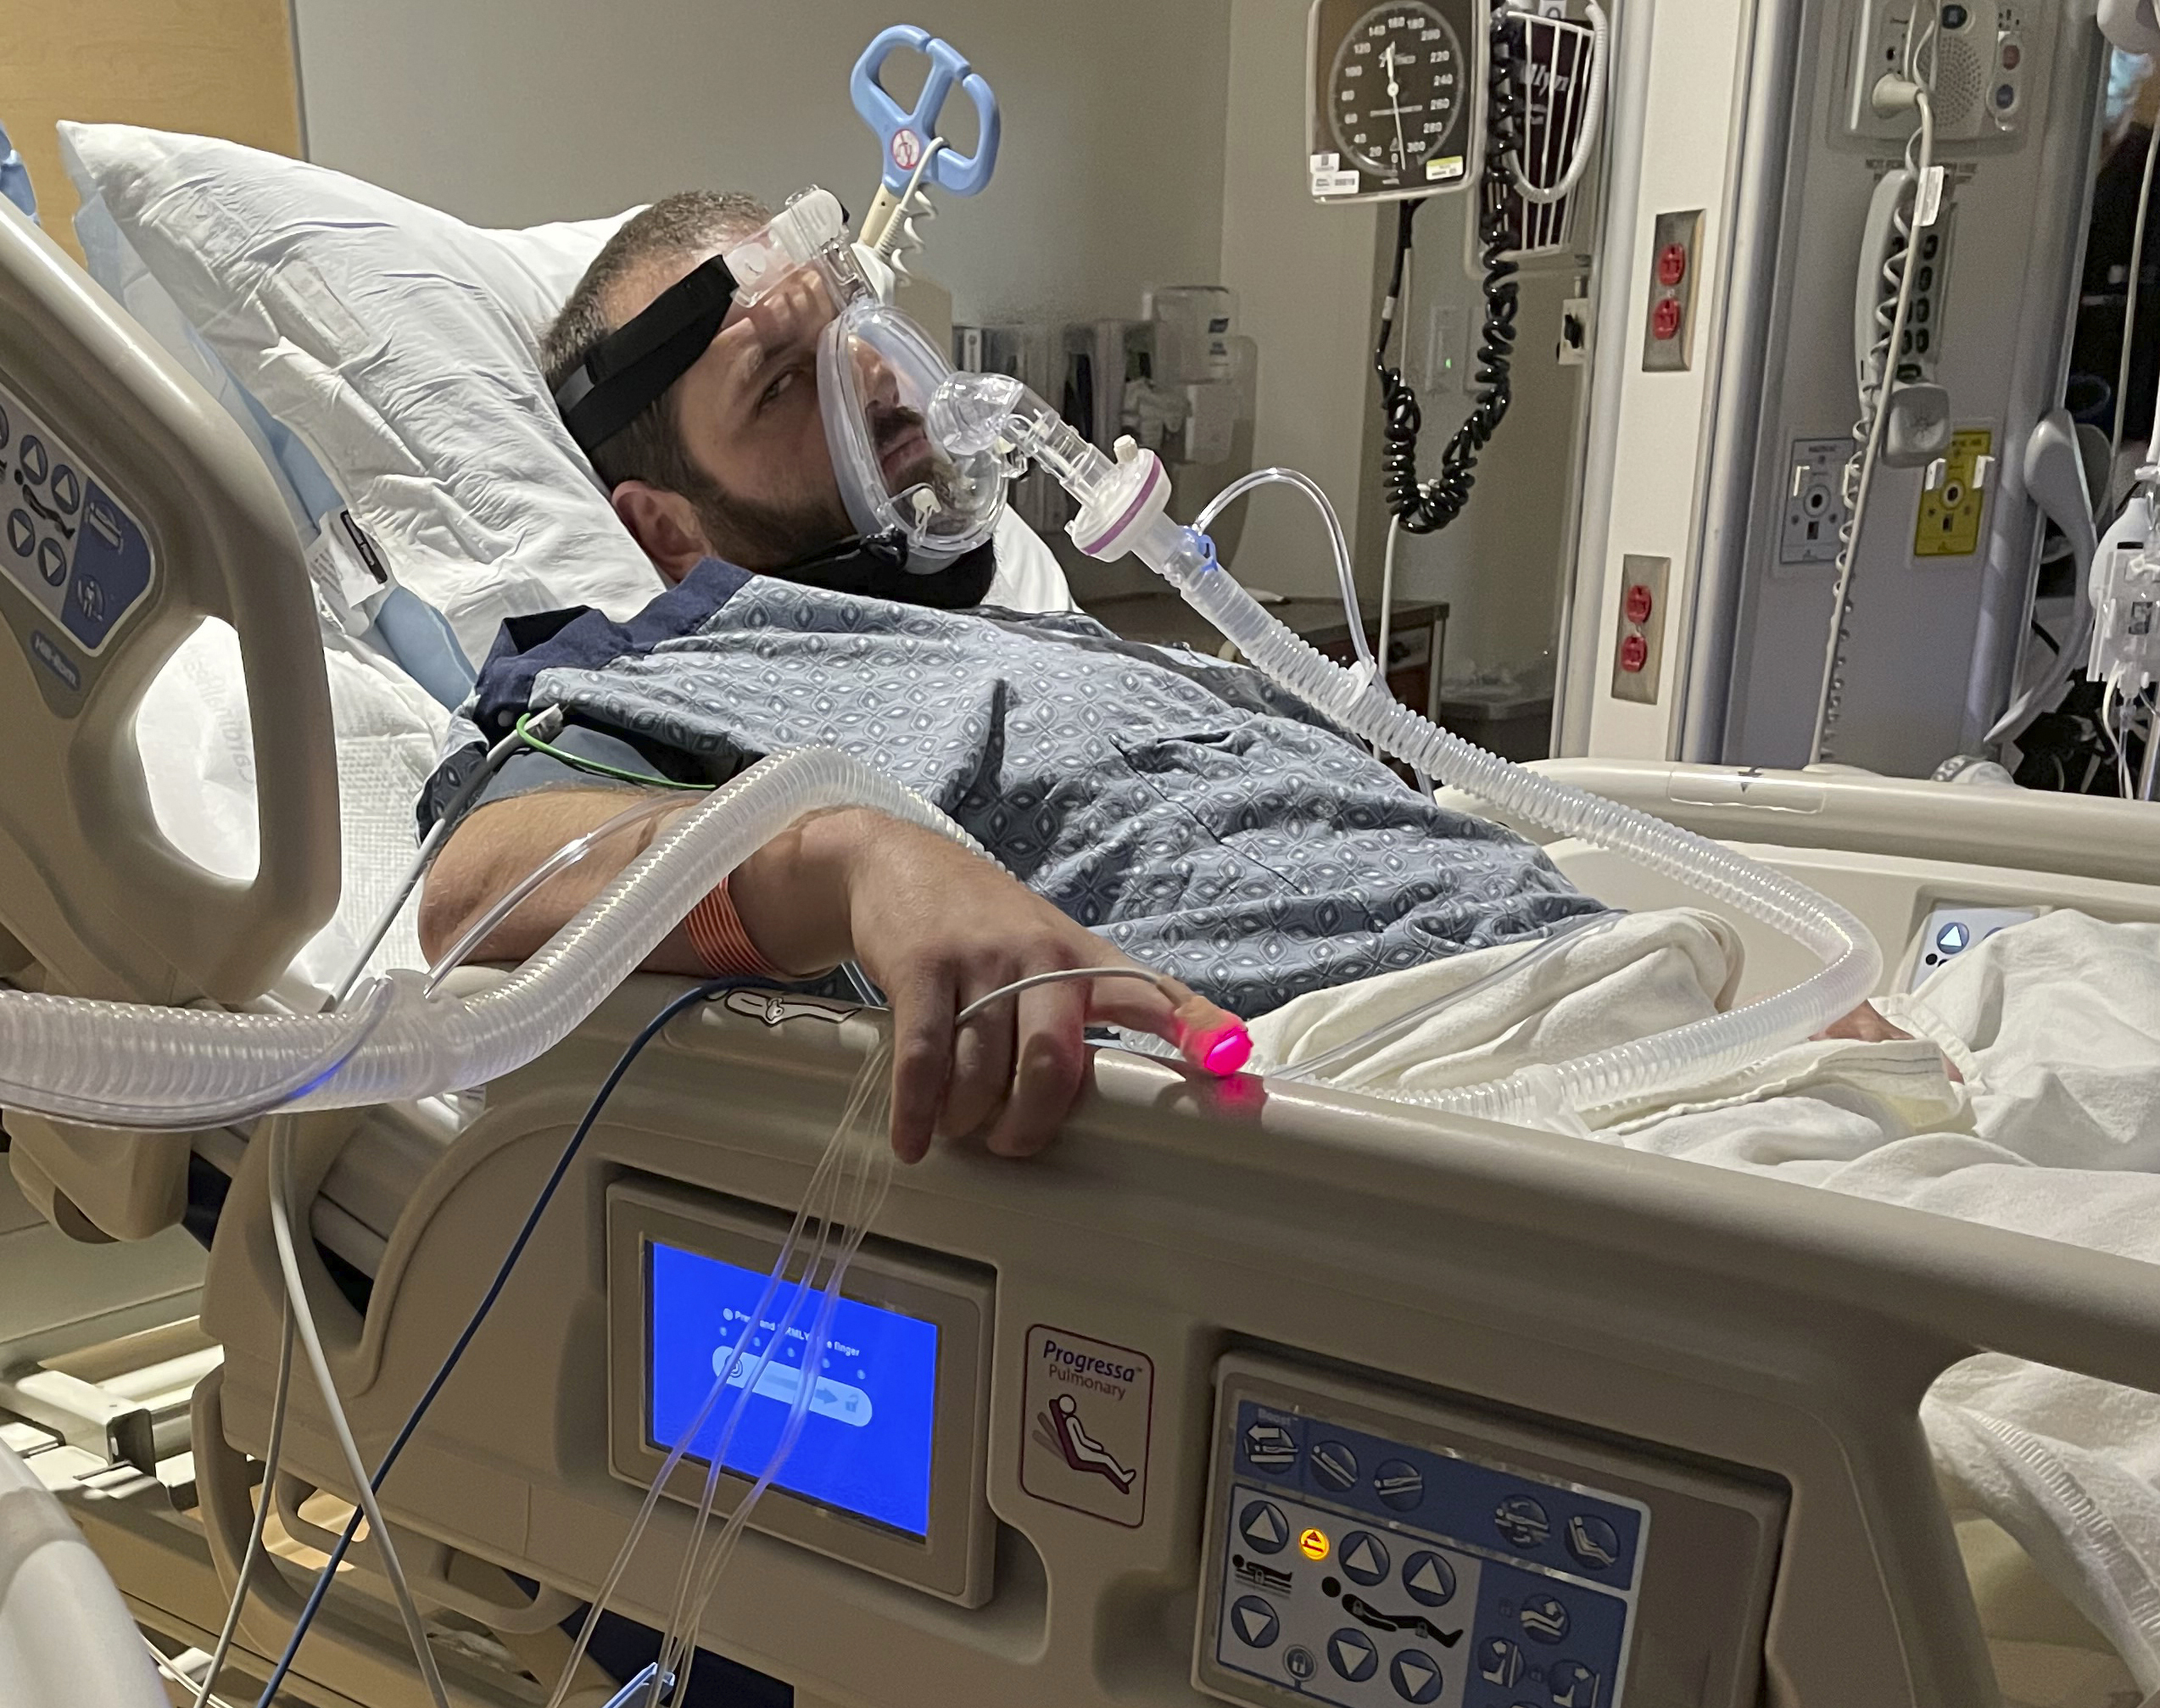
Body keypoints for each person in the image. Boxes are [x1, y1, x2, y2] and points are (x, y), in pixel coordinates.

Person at [417, 190, 1911, 1164]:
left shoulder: (1033, 627)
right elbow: (479, 890)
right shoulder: (678, 666)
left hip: (1660, 1018)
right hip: (1440, 1098)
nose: (871, 374)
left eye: (855, 315)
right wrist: (854, 861)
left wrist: (1734, 1000)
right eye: (778, 382)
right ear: (665, 527)